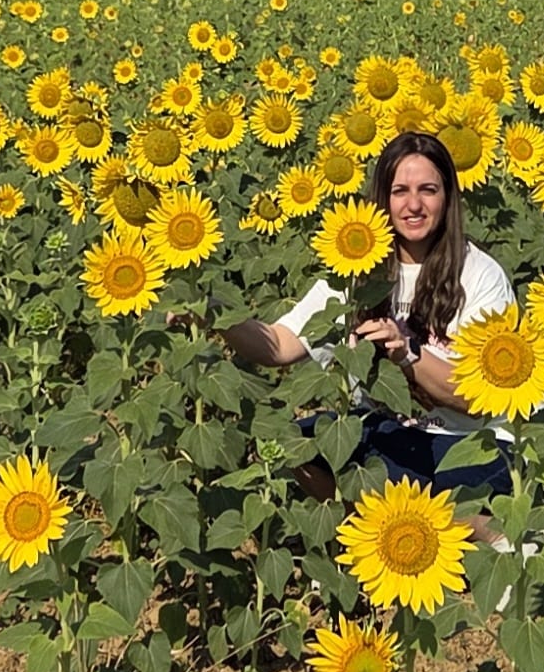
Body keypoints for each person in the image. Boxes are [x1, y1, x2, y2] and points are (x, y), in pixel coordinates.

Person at [216, 131, 515, 536]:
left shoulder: (478, 274)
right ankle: (376, 541)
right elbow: (280, 345)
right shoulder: (356, 269)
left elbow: (478, 397)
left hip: (465, 438)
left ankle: (489, 542)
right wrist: (212, 315)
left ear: (447, 197)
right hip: (387, 431)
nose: (413, 205)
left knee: (456, 499)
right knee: (294, 447)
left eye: (428, 190)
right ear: (383, 199)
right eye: (400, 191)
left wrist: (406, 354)